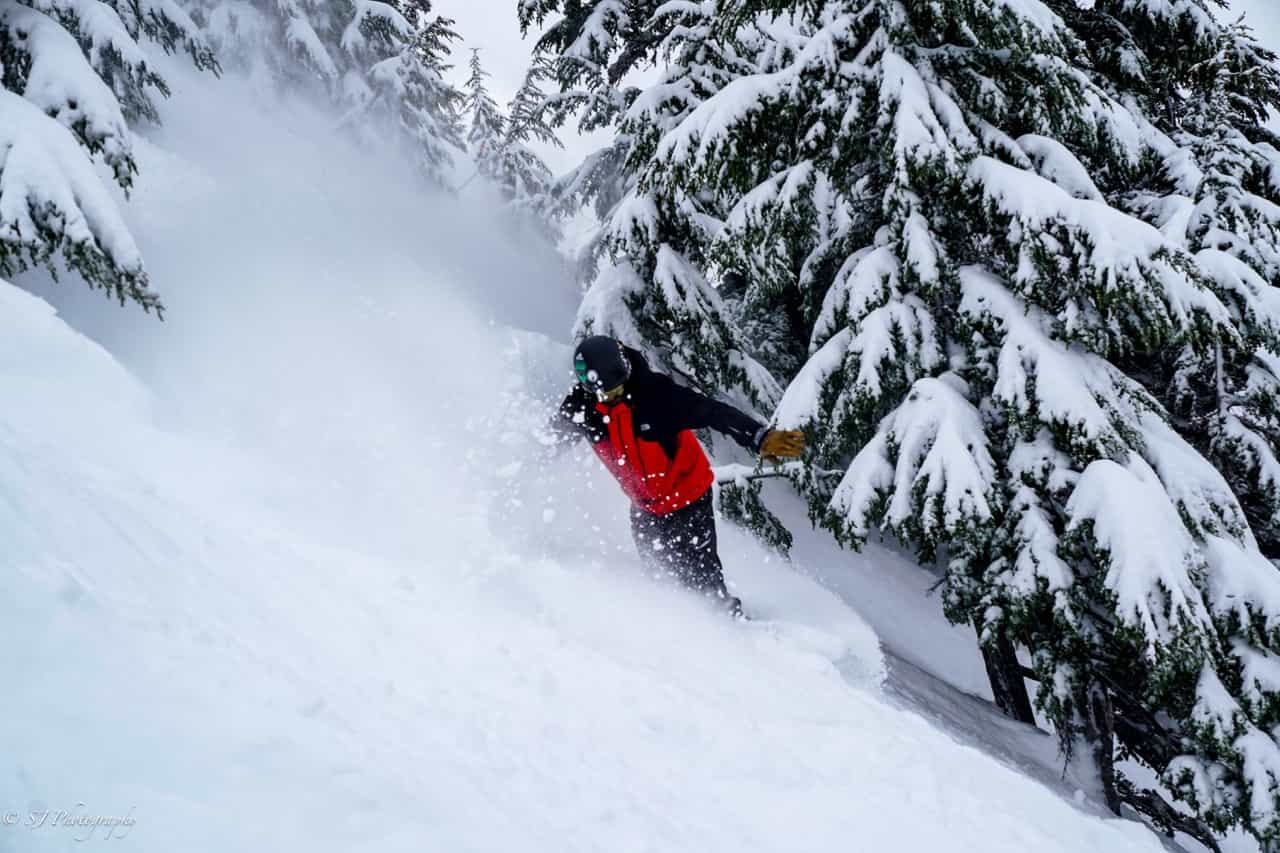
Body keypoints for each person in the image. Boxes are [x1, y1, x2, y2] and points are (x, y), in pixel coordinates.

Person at [546, 335, 805, 616]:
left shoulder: (656, 397)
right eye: (604, 394)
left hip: (689, 500)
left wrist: (758, 437)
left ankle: (733, 628)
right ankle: (677, 636)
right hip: (645, 509)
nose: (611, 398)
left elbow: (712, 412)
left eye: (616, 390)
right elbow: (551, 440)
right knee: (659, 578)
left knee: (703, 581)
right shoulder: (583, 408)